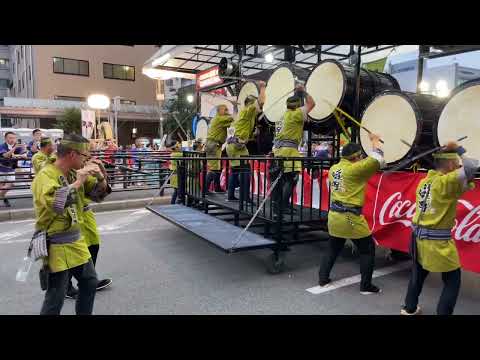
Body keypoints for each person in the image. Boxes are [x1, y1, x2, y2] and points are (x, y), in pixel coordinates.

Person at [31, 134, 107, 315]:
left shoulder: (73, 172)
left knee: (89, 281)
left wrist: (101, 177)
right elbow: (55, 203)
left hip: (76, 240)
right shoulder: (46, 175)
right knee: (56, 294)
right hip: (56, 243)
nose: (86, 159)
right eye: (84, 155)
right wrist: (78, 182)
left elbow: (97, 195)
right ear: (73, 154)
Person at [401, 142, 478, 315]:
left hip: (418, 239)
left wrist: (466, 176)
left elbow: (466, 181)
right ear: (450, 165)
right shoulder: (446, 182)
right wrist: (458, 147)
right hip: (438, 243)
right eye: (457, 163)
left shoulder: (425, 182)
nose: (459, 165)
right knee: (452, 280)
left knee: (418, 274)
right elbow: (473, 166)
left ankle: (409, 308)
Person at [318, 133, 385, 295]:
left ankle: (323, 278)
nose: (362, 158)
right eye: (360, 156)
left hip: (334, 216)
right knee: (367, 249)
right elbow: (377, 159)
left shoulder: (335, 168)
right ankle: (366, 285)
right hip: (351, 218)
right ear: (356, 157)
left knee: (333, 248)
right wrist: (375, 142)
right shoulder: (355, 170)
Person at [65, 156, 113, 299]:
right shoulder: (63, 170)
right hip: (71, 214)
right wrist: (80, 179)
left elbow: (99, 194)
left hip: (86, 213)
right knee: (73, 251)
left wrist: (101, 171)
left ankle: (88, 280)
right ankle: (66, 286)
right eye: (83, 154)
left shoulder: (84, 171)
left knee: (93, 246)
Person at [271, 84, 315, 216]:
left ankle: (280, 205)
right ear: (297, 105)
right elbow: (312, 103)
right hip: (288, 150)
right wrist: (304, 92)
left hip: (278, 150)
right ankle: (282, 206)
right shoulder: (297, 114)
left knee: (282, 179)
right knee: (291, 178)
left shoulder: (284, 115)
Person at [226, 81, 266, 202]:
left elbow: (242, 130)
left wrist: (252, 134)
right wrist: (262, 87)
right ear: (250, 103)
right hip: (237, 146)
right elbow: (262, 102)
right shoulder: (248, 110)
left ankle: (231, 196)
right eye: (255, 103)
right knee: (246, 172)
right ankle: (245, 198)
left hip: (232, 145)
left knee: (235, 171)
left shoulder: (243, 114)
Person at [205, 105, 234, 193]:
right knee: (214, 168)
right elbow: (231, 119)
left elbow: (232, 123)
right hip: (213, 144)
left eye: (227, 109)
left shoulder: (221, 120)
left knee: (217, 167)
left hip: (215, 144)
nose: (226, 111)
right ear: (219, 111)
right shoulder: (219, 119)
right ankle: (205, 189)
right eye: (224, 109)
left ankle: (216, 187)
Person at [0, 132, 28, 207]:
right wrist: (14, 149)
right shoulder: (2, 146)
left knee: (9, 185)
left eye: (14, 138)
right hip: (1, 168)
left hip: (11, 169)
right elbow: (5, 155)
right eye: (10, 138)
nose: (12, 140)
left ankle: (3, 198)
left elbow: (25, 155)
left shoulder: (18, 146)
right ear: (5, 139)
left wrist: (21, 150)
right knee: (1, 187)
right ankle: (5, 199)